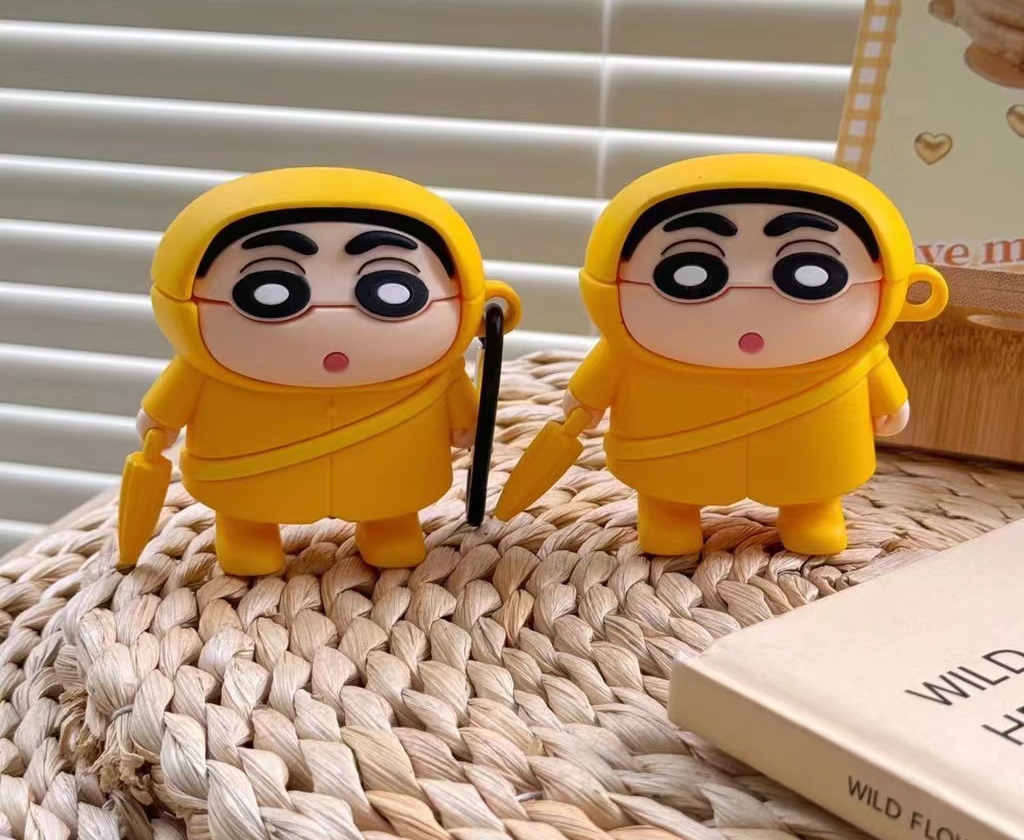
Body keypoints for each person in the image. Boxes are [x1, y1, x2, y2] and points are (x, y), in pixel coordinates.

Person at [137, 166, 519, 574]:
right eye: (270, 290)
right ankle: (246, 533)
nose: (331, 316)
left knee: (390, 504)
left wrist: (468, 424)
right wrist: (160, 425)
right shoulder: (202, 368)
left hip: (389, 473)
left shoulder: (440, 373)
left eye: (391, 288)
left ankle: (387, 527)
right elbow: (165, 411)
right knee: (246, 508)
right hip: (249, 480)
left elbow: (464, 417)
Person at [560, 154, 947, 556]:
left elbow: (876, 370)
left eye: (808, 272)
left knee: (812, 484)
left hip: (810, 449)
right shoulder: (629, 350)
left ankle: (811, 514)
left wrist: (891, 401)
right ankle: (667, 516)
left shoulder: (860, 354)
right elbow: (603, 372)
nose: (748, 292)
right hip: (674, 456)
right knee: (668, 490)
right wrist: (584, 401)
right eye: (690, 271)